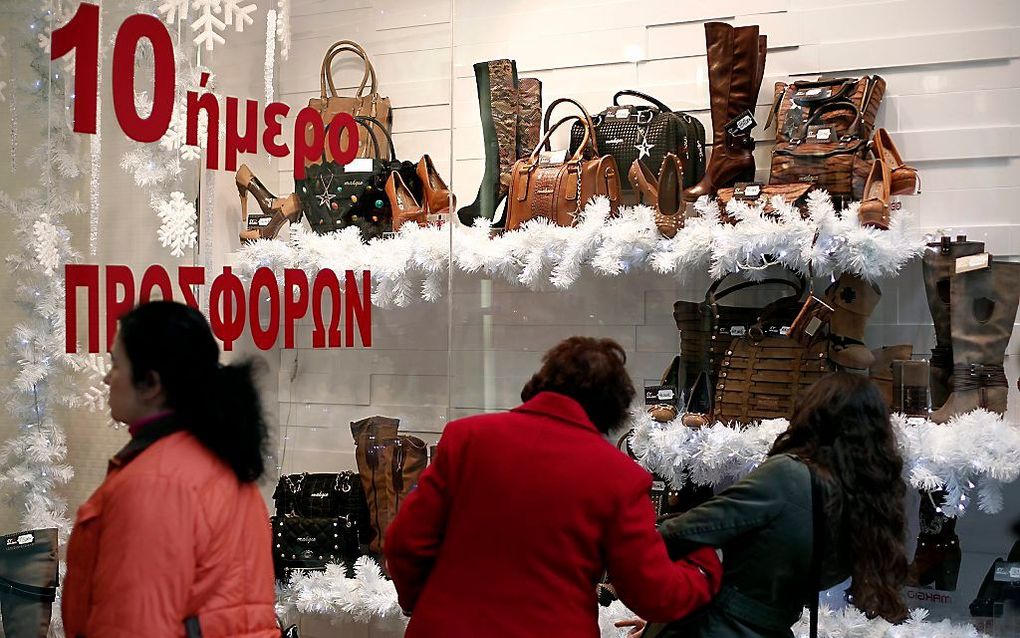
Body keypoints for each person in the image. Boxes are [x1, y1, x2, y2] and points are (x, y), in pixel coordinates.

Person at [384, 336, 724, 638]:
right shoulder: (619, 476)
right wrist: (702, 566)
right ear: (612, 412)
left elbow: (405, 541)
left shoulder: (467, 438)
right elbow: (652, 592)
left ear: (539, 384)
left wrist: (424, 602)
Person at [62, 301, 280, 637]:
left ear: (151, 384)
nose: (106, 378)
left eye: (116, 365)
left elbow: (135, 626)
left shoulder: (157, 483)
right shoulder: (219, 456)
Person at [644, 371, 909, 638]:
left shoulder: (788, 475)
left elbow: (685, 532)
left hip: (719, 627)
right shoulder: (863, 504)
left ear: (811, 416)